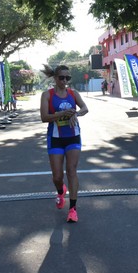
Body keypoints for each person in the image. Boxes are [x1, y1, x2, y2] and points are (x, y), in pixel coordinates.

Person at [40, 64, 89, 223]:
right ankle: (61, 191)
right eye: (62, 77)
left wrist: (76, 113)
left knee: (71, 171)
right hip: (55, 138)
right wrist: (62, 114)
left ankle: (73, 209)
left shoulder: (73, 93)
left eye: (68, 78)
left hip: (73, 136)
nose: (65, 80)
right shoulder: (47, 95)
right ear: (55, 78)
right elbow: (44, 117)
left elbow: (85, 108)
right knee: (57, 176)